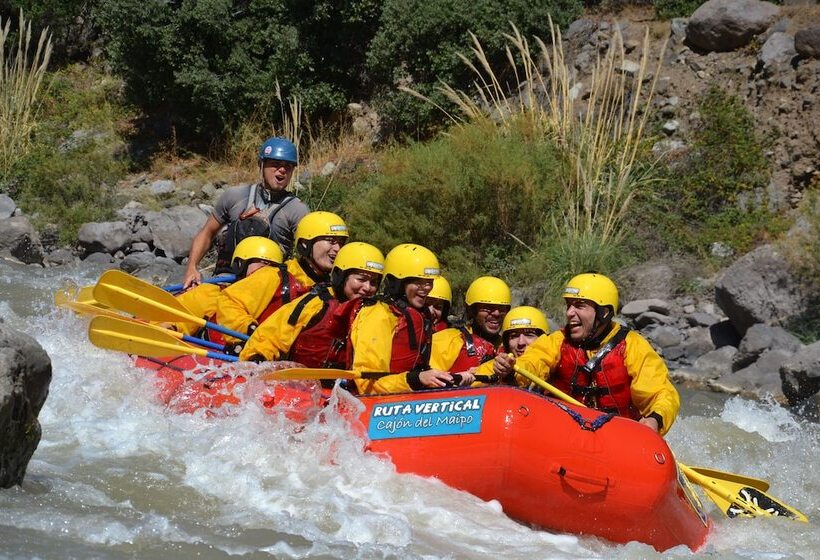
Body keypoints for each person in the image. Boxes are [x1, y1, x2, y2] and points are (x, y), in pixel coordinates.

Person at [487, 273, 680, 435]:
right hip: (564, 434)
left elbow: (661, 394)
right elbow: (533, 361)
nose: (570, 312)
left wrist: (655, 419)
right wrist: (512, 371)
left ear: (603, 312)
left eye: (579, 306)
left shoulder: (633, 346)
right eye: (569, 305)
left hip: (618, 439)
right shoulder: (556, 341)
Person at [238, 242, 385, 376]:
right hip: (298, 387)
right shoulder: (314, 303)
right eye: (361, 279)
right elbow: (270, 336)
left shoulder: (375, 315)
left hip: (342, 391)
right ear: (341, 275)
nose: (367, 288)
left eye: (373, 282)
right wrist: (258, 358)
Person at [341, 243, 470, 394]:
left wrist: (449, 378)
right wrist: (415, 379)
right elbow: (367, 384)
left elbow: (416, 374)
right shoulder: (378, 315)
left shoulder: (419, 316)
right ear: (398, 283)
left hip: (403, 399)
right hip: (372, 405)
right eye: (418, 281)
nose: (427, 288)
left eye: (429, 282)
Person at [182, 137, 309, 288]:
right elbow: (207, 233)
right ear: (261, 165)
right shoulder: (235, 196)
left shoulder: (298, 210)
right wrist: (191, 269)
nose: (282, 170)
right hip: (223, 281)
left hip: (264, 289)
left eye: (288, 166)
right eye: (275, 164)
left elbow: (309, 256)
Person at [212, 211, 349, 346]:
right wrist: (250, 331)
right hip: (254, 354)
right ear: (305, 243)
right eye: (331, 241)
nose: (338, 249)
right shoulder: (274, 276)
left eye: (341, 243)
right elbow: (229, 302)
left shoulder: (336, 291)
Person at [169, 236, 282, 336]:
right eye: (263, 263)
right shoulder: (213, 292)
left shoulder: (281, 299)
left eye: (272, 267)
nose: (266, 272)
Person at [429, 276, 511, 374]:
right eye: (488, 308)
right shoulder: (446, 340)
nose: (496, 313)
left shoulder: (510, 345)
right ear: (472, 310)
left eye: (502, 308)